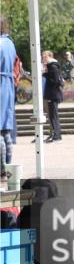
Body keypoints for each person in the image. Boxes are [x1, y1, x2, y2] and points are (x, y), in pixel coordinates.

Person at [0, 16, 17, 169]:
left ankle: (2, 168)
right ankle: (7, 165)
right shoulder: (10, 43)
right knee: (5, 128)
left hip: (1, 83)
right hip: (8, 84)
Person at [40, 50, 64, 143]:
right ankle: (55, 135)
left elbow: (55, 81)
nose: (43, 59)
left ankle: (57, 136)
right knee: (52, 116)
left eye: (44, 57)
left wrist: (45, 74)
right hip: (52, 94)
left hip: (53, 94)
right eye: (42, 57)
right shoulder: (51, 66)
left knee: (54, 116)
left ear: (49, 57)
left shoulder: (53, 67)